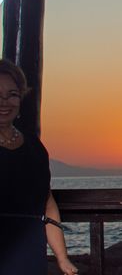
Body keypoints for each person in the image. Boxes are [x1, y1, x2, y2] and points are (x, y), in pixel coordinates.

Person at [0, 59, 78, 275]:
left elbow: (48, 204)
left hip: (30, 253)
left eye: (12, 94)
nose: (5, 102)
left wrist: (62, 259)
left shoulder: (34, 147)